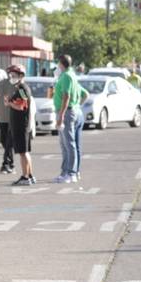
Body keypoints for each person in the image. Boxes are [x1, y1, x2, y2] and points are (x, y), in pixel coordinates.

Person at [5, 65, 36, 186]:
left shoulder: (22, 89)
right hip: (21, 125)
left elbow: (22, 106)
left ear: (21, 76)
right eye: (11, 75)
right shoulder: (19, 88)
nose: (11, 78)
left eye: (14, 75)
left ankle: (25, 176)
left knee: (23, 152)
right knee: (25, 152)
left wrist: (9, 104)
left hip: (21, 125)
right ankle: (30, 175)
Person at [54, 54, 81, 184]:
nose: (57, 66)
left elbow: (66, 96)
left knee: (69, 144)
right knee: (65, 144)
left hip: (67, 112)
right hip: (69, 111)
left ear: (61, 63)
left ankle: (71, 173)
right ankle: (65, 171)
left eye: (58, 63)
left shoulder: (66, 76)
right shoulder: (70, 75)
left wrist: (61, 115)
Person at [0, 72, 16, 174]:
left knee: (9, 142)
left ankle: (6, 164)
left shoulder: (18, 86)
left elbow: (25, 102)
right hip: (1, 117)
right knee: (4, 141)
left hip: (13, 117)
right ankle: (10, 163)